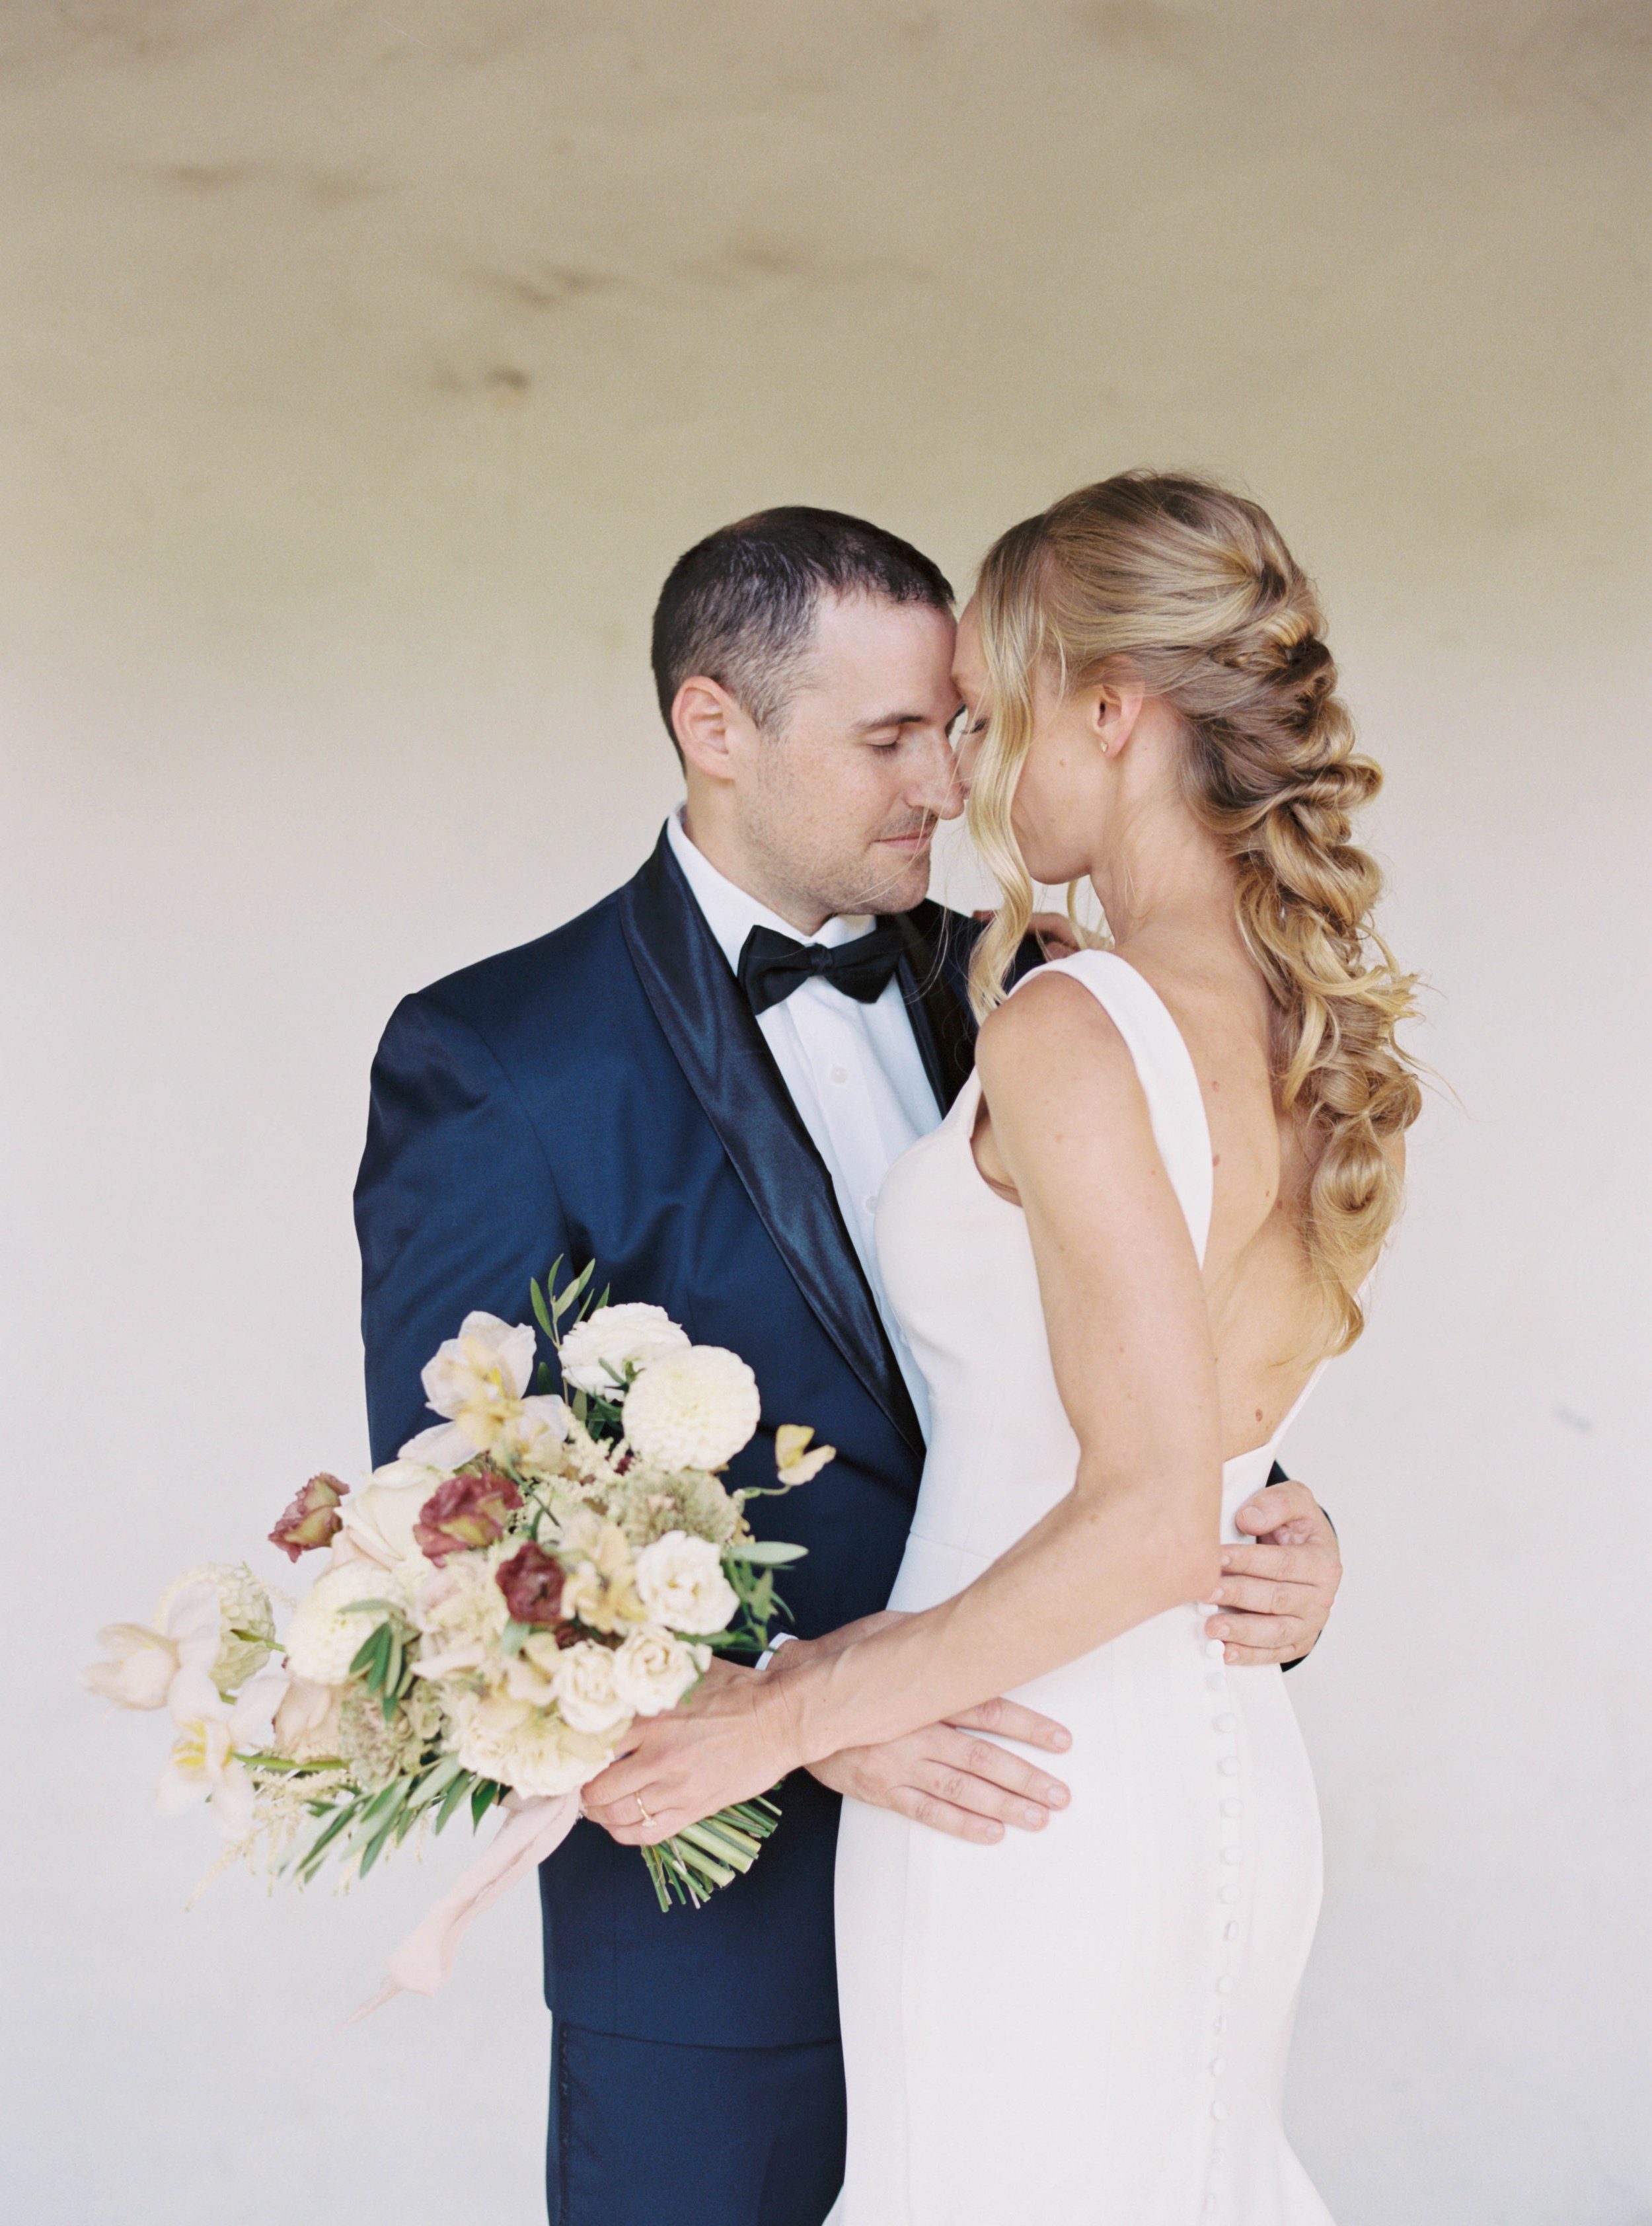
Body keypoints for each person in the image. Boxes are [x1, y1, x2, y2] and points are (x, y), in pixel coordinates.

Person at [354, 504, 1346, 2226]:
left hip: (1046, 1852)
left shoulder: (1047, 995)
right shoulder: (496, 1058)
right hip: (714, 1950)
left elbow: (1118, 1400)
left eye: (958, 724)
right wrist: (809, 1722)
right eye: (893, 737)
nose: (948, 781)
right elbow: (460, 1533)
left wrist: (1279, 1536)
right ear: (713, 727)